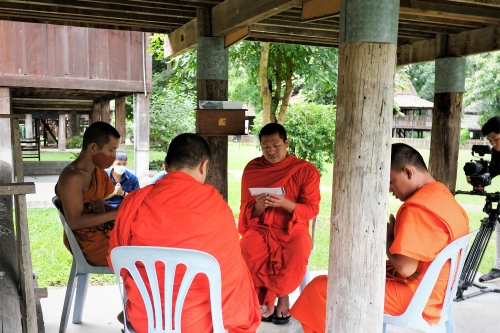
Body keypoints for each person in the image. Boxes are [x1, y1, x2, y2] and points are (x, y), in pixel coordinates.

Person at [289, 143, 470, 333]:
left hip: (417, 297)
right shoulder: (443, 193)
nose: (390, 190)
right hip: (439, 293)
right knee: (352, 275)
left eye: (391, 182)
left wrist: (388, 238)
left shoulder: (416, 207)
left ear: (408, 172)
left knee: (319, 288)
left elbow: (406, 268)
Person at [107, 133, 261, 333]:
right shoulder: (217, 206)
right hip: (204, 324)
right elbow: (229, 269)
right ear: (203, 166)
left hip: (145, 320)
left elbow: (116, 262)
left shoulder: (135, 201)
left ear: (166, 165)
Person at [238, 123, 320, 325]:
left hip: (291, 227)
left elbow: (311, 209)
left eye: (276, 145)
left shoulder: (305, 170)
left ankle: (281, 297)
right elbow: (246, 210)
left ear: (286, 143)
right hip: (261, 227)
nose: (271, 151)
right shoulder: (253, 168)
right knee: (246, 249)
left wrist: (285, 204)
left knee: (298, 249)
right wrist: (258, 207)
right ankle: (262, 300)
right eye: (266, 147)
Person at [55, 121, 120, 266]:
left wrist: (123, 211)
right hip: (89, 244)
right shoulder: (73, 177)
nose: (114, 156)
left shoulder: (97, 172)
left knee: (148, 237)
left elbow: (98, 204)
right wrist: (113, 214)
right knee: (144, 254)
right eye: (111, 150)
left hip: (103, 232)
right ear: (93, 147)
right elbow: (75, 221)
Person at [475, 116, 500, 282]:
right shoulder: (496, 152)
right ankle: (498, 268)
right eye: (491, 141)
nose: (494, 144)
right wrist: (479, 177)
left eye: (496, 139)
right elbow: (493, 171)